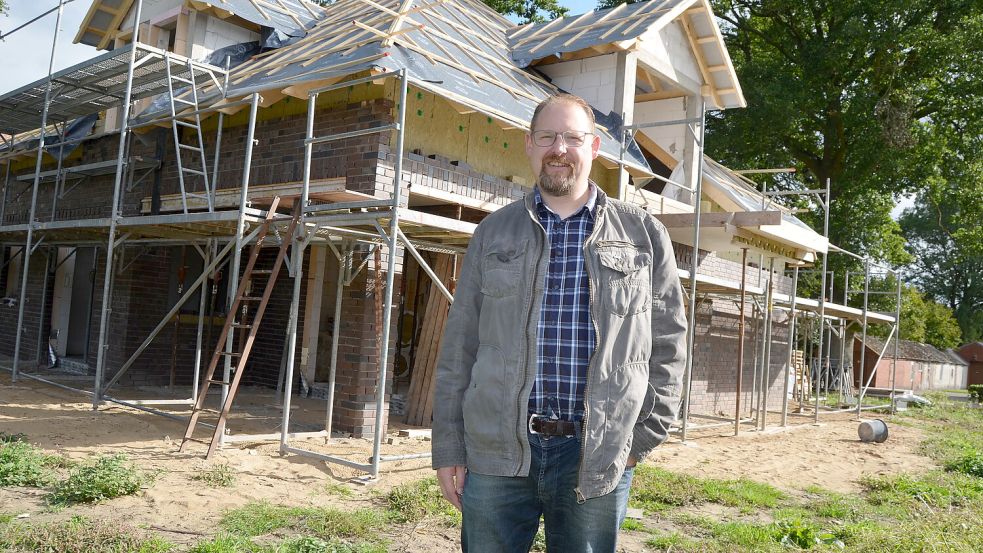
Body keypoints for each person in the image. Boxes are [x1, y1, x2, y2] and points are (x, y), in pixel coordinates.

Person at [431, 93, 688, 553]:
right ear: (529, 145)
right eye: (548, 136)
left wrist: (639, 439)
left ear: (594, 149)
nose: (559, 148)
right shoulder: (494, 232)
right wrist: (449, 448)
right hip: (497, 452)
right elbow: (459, 348)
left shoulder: (644, 235)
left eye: (572, 137)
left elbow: (670, 346)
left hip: (597, 451)